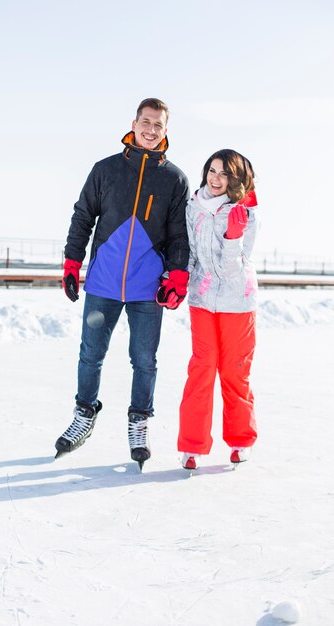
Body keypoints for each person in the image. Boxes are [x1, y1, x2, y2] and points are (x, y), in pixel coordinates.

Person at [55, 98, 190, 468]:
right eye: (145, 122)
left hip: (148, 288)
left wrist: (178, 273)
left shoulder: (175, 179)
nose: (150, 129)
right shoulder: (106, 170)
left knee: (144, 359)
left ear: (165, 130)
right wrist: (72, 261)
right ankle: (84, 414)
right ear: (134, 123)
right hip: (103, 283)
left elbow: (179, 234)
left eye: (158, 125)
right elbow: (83, 216)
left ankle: (139, 422)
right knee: (90, 354)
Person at [178, 149, 259, 470]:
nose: (216, 178)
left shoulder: (247, 214)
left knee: (234, 370)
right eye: (212, 171)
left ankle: (241, 440)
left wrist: (233, 238)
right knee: (202, 367)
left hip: (238, 301)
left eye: (224, 173)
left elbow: (232, 270)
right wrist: (177, 281)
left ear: (235, 179)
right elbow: (189, 253)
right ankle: (191, 446)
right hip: (202, 299)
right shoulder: (193, 208)